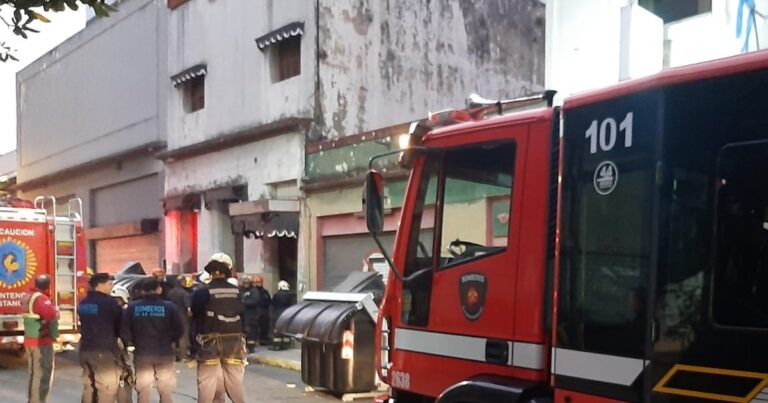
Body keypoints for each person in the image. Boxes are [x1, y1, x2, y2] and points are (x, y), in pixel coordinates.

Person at [191, 253, 246, 403]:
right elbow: (243, 315)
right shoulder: (237, 292)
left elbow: (196, 316)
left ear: (210, 272)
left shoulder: (202, 292)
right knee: (235, 380)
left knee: (207, 381)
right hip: (234, 341)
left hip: (209, 341)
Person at [121, 277, 184, 403]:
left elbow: (125, 329)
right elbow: (179, 329)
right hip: (164, 352)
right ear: (159, 290)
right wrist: (169, 340)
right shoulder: (170, 307)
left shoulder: (133, 307)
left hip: (142, 352)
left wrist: (131, 343)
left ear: (143, 291)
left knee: (143, 389)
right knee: (166, 390)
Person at [78, 273, 124, 403]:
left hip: (85, 349)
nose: (111, 287)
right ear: (99, 285)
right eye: (109, 284)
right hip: (103, 351)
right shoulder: (109, 303)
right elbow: (120, 324)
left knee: (89, 386)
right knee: (107, 387)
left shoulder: (83, 303)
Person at [21, 274, 59, 403]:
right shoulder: (41, 299)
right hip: (41, 342)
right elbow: (52, 314)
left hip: (30, 341)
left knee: (34, 373)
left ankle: (32, 399)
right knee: (43, 374)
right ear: (48, 286)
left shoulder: (28, 296)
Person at [111, 284, 134, 403]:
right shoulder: (122, 312)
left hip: (101, 352)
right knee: (124, 377)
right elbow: (125, 332)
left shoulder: (103, 309)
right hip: (118, 350)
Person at [166, 275, 192, 361]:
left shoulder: (170, 292)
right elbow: (188, 307)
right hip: (182, 316)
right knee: (183, 336)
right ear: (181, 282)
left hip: (171, 316)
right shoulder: (184, 293)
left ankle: (172, 356)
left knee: (172, 336)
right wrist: (190, 313)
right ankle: (183, 356)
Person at [269, 280, 293, 351]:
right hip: (286, 315)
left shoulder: (276, 295)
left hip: (277, 315)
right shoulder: (289, 296)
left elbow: (272, 305)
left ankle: (276, 346)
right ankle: (285, 345)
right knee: (285, 329)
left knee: (277, 331)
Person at [240, 277, 259, 352]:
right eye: (244, 283)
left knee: (251, 332)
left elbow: (254, 301)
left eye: (247, 283)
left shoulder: (254, 291)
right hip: (242, 315)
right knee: (243, 332)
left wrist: (244, 302)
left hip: (252, 315)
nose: (246, 284)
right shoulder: (240, 290)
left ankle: (251, 348)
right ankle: (243, 347)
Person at [252, 276, 272, 346]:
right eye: (257, 282)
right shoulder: (252, 291)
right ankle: (255, 341)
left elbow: (269, 301)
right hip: (255, 311)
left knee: (264, 326)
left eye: (260, 282)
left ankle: (263, 340)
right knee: (255, 327)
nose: (259, 284)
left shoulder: (265, 292)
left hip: (264, 311)